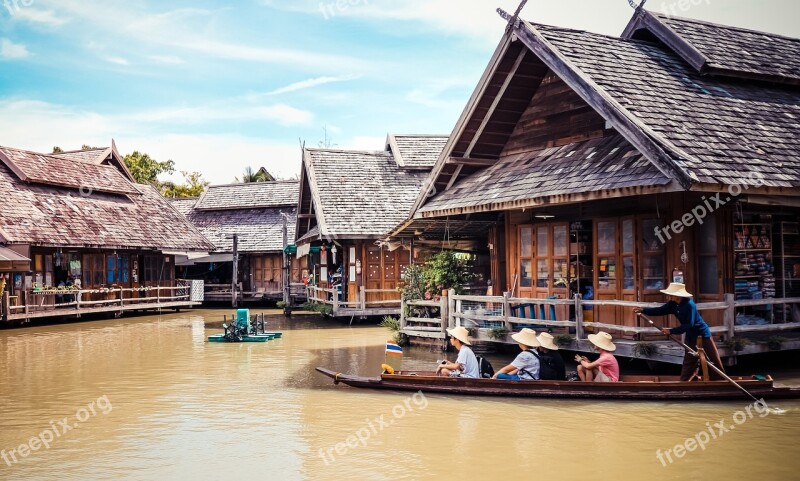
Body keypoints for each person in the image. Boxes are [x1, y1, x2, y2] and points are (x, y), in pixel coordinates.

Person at [634, 282, 724, 381]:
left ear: (677, 296)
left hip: (702, 334)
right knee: (689, 360)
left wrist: (671, 331)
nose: (668, 296)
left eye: (671, 294)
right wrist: (643, 310)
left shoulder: (689, 305)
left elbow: (689, 325)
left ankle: (720, 381)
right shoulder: (672, 304)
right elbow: (660, 310)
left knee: (712, 359)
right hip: (690, 335)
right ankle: (686, 382)